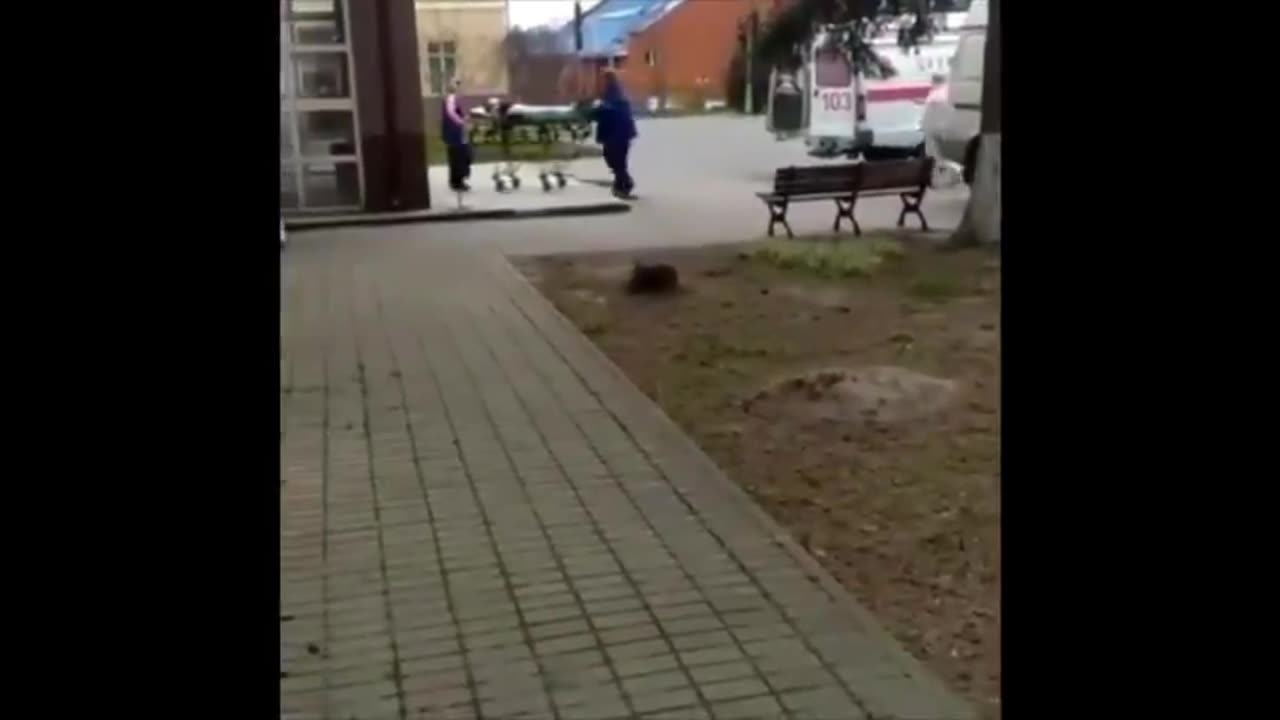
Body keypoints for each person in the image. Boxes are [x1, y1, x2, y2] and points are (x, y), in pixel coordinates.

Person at [594, 70, 637, 199]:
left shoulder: (615, 94)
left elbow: (615, 109)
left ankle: (625, 184)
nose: (601, 82)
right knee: (616, 161)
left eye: (603, 80)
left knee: (616, 161)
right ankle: (621, 185)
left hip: (617, 135)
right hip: (616, 134)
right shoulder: (608, 94)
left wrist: (602, 109)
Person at [441, 77, 472, 192]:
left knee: (459, 156)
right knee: (458, 156)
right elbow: (451, 113)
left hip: (456, 133)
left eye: (459, 84)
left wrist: (465, 120)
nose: (458, 86)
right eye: (456, 84)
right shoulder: (451, 98)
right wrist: (462, 122)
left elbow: (456, 113)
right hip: (455, 133)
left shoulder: (454, 98)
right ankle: (457, 182)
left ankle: (457, 181)